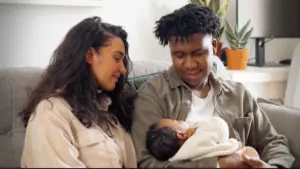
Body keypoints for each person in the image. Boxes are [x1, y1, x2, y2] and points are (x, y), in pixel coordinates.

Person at [131, 4, 295, 168]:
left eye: (198, 53)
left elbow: (273, 142)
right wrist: (218, 164)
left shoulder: (238, 94)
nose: (189, 64)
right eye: (179, 55)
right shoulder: (153, 95)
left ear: (215, 48)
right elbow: (146, 162)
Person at [19, 16, 137, 168]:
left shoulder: (107, 109)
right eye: (117, 58)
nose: (123, 69)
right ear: (89, 55)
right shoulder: (50, 114)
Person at [146, 118, 261, 167]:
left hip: (241, 158)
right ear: (181, 134)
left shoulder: (180, 156)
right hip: (241, 158)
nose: (182, 120)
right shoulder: (196, 140)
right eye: (177, 121)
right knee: (249, 151)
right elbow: (219, 127)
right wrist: (197, 128)